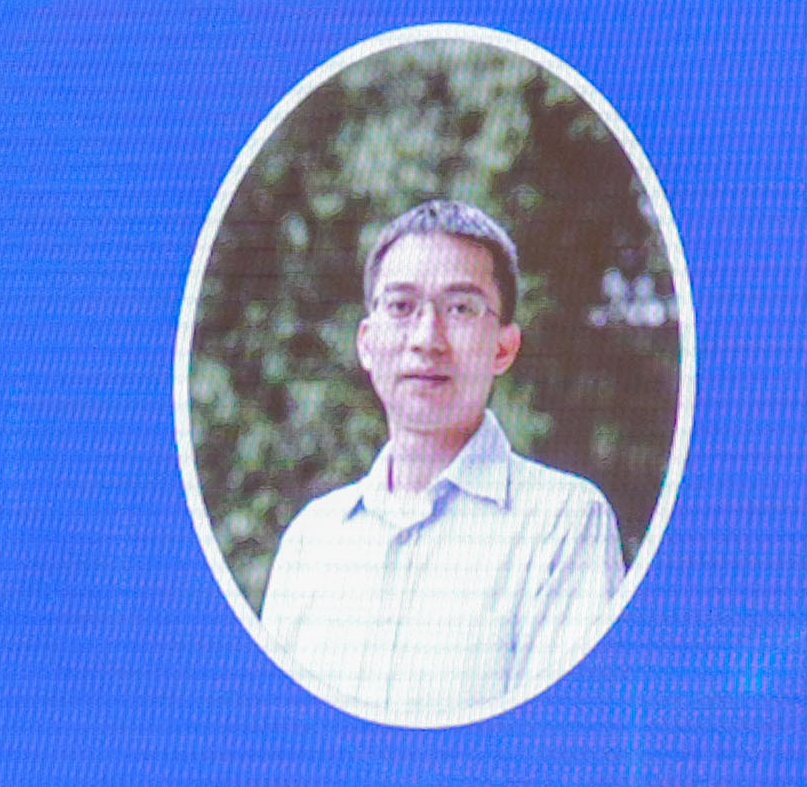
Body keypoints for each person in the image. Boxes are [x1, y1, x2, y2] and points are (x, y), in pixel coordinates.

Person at [254, 196, 629, 725]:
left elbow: (559, 748)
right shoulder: (311, 544)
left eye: (460, 309)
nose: (427, 340)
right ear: (367, 343)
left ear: (504, 348)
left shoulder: (563, 525)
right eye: (401, 306)